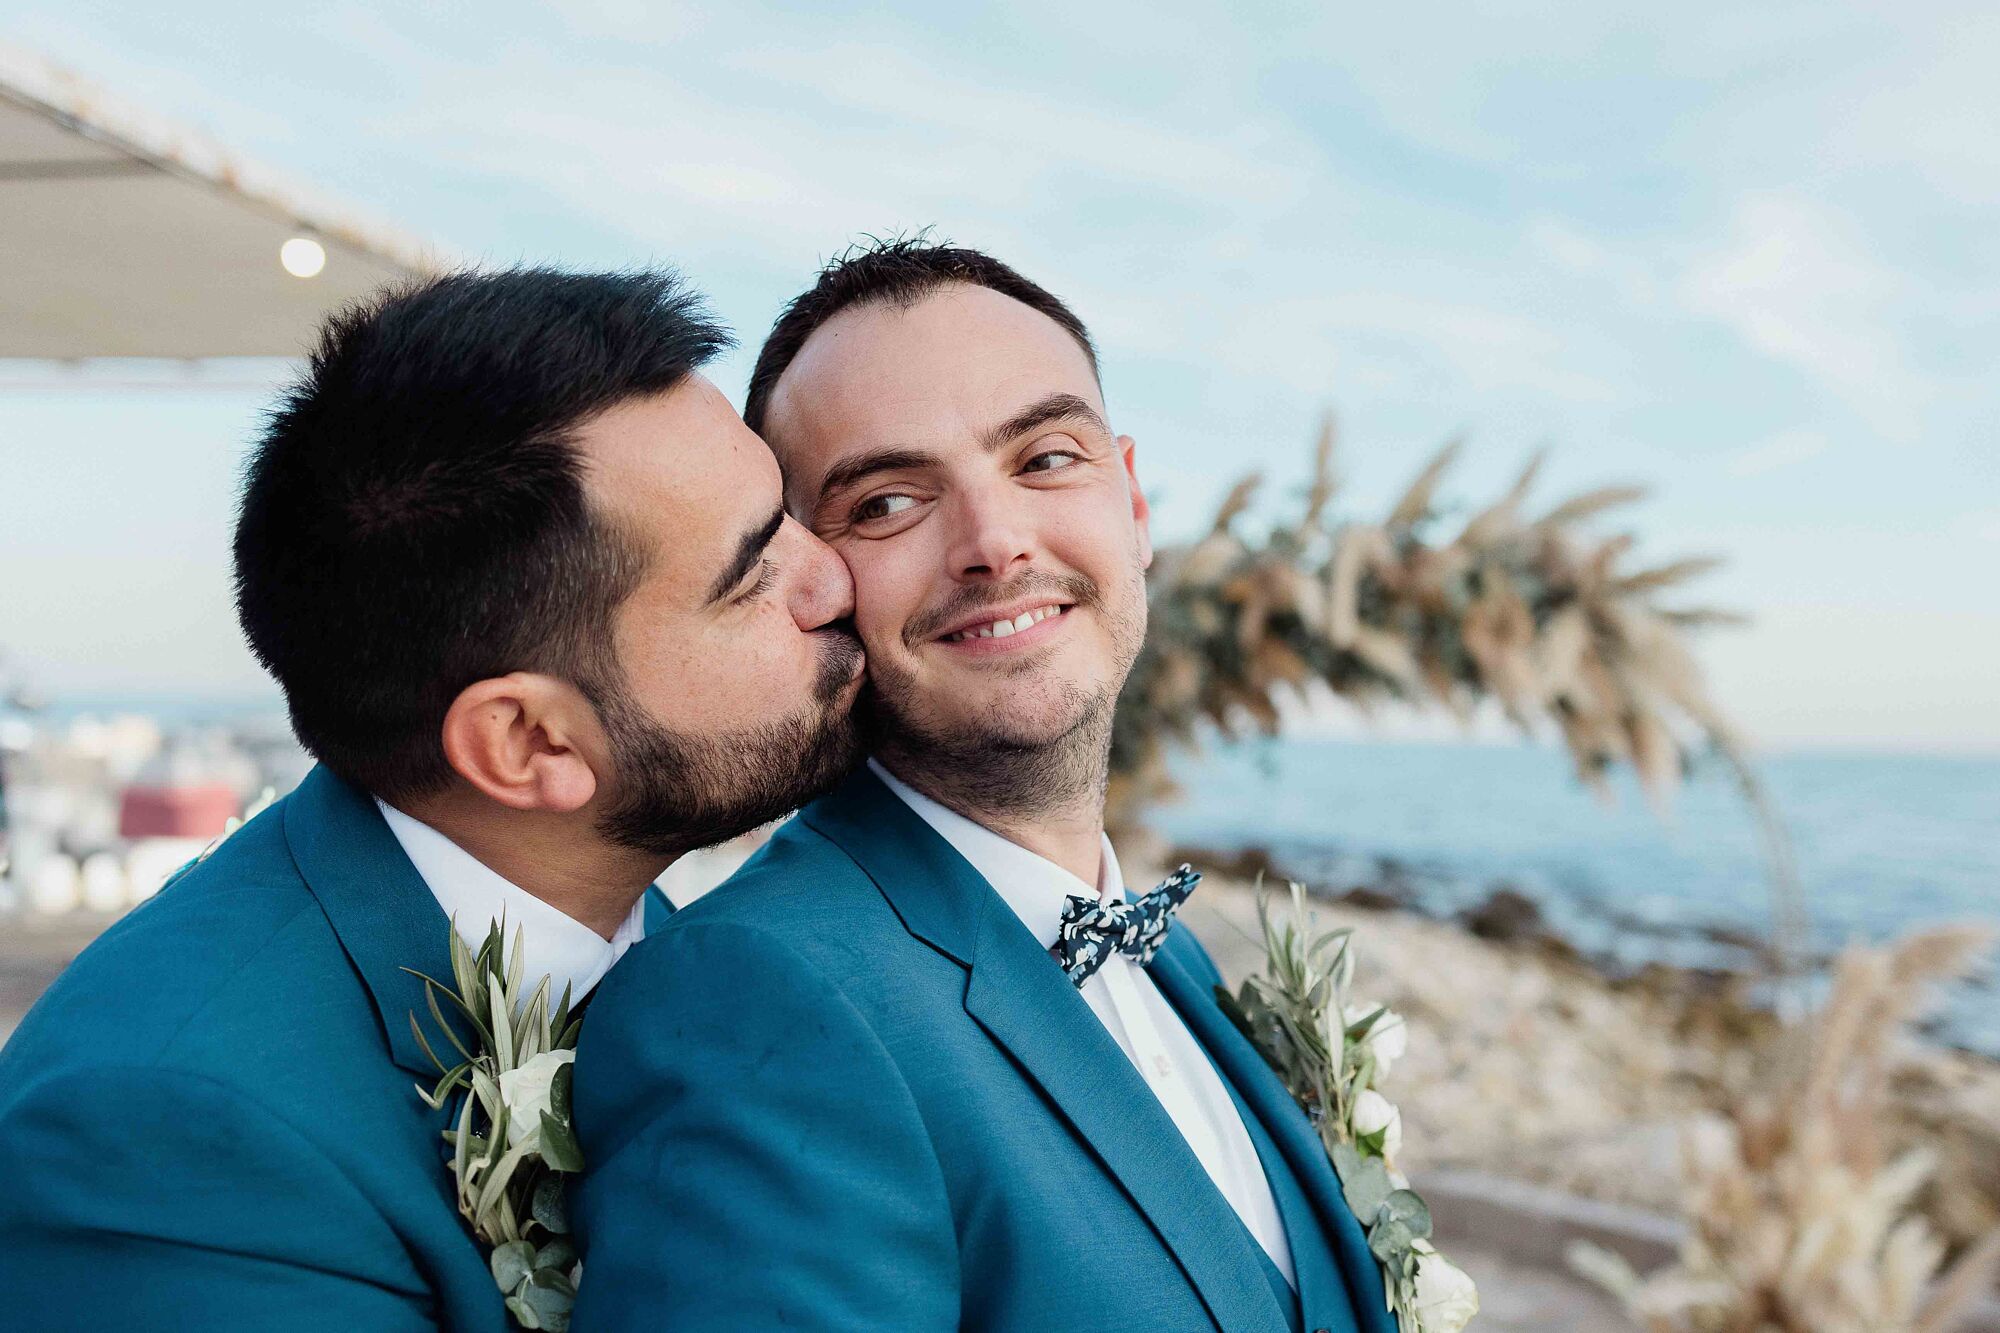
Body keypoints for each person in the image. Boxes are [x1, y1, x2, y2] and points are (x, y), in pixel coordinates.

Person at [0, 267, 864, 1330]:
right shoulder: (165, 1134)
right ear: (528, 743)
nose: (832, 576)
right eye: (751, 573)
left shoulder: (693, 948)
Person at [571, 241, 1394, 1333]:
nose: (994, 543)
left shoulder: (1176, 957)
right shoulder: (745, 998)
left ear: (1133, 504)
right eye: (888, 502)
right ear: (804, 582)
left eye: (1046, 458)